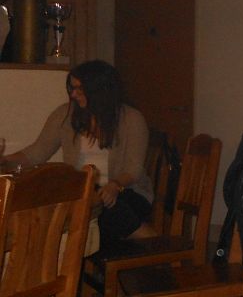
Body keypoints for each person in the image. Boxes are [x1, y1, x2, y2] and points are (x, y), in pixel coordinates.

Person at [1, 59, 153, 249]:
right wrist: (5, 161)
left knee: (105, 208)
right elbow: (36, 153)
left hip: (125, 190)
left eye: (79, 89)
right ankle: (143, 239)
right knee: (57, 204)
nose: (73, 94)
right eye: (72, 88)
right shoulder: (65, 115)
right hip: (83, 193)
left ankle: (150, 241)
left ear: (99, 90)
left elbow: (133, 169)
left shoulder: (131, 119)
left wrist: (115, 185)